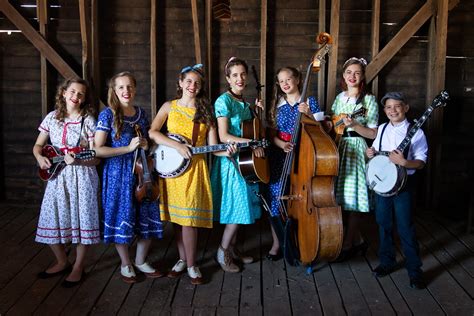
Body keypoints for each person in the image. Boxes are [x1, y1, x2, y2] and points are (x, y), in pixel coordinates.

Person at [149, 64, 234, 284]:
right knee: (177, 219)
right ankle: (182, 259)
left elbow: (214, 148)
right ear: (180, 83)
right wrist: (176, 146)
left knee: (188, 220)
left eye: (196, 83)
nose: (192, 86)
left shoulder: (205, 112)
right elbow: (153, 132)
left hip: (194, 170)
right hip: (170, 170)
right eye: (188, 81)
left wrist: (229, 152)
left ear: (201, 86)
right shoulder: (169, 107)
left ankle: (192, 265)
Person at [94, 71, 163, 283]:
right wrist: (126, 148)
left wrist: (146, 144)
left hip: (143, 174)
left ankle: (141, 260)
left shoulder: (141, 114)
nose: (126, 91)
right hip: (117, 174)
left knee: (148, 216)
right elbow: (97, 149)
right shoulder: (108, 115)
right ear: (114, 90)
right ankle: (126, 264)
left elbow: (149, 144)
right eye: (121, 87)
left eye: (130, 86)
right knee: (120, 216)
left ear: (135, 89)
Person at [33, 78, 100, 287]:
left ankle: (78, 266)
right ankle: (62, 261)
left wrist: (79, 159)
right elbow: (38, 145)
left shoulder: (88, 120)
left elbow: (96, 156)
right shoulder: (52, 118)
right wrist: (39, 157)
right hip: (57, 177)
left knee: (81, 221)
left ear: (84, 98)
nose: (76, 97)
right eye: (72, 92)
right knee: (50, 218)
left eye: (80, 94)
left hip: (82, 176)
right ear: (63, 93)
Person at [366, 92, 427, 289]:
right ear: (384, 110)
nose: (392, 110)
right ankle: (387, 262)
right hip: (383, 185)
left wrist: (404, 162)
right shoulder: (382, 128)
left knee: (405, 227)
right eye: (388, 107)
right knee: (383, 223)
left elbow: (421, 162)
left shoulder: (415, 131)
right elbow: (375, 153)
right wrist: (370, 153)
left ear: (406, 108)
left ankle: (415, 271)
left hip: (404, 186)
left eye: (397, 106)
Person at [211, 57, 264, 272]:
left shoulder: (246, 103)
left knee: (240, 209)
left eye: (243, 74)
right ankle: (222, 252)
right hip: (231, 162)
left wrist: (257, 115)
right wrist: (252, 143)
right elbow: (224, 136)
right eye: (235, 75)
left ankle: (233, 250)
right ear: (228, 78)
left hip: (246, 161)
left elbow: (252, 130)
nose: (240, 78)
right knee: (236, 209)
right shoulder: (223, 101)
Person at [265, 66, 324, 260]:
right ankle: (278, 242)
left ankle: (301, 240)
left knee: (300, 197)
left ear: (298, 79)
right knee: (276, 196)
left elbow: (321, 130)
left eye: (289, 79)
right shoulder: (277, 105)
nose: (285, 84)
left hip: (304, 154)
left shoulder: (309, 102)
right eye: (281, 81)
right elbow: (271, 135)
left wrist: (308, 114)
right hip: (281, 155)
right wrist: (282, 144)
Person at [330, 57, 379, 261]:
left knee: (354, 199)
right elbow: (333, 125)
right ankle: (351, 238)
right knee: (337, 197)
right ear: (343, 75)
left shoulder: (368, 101)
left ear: (362, 77)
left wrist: (355, 126)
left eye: (357, 73)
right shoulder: (339, 99)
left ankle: (349, 243)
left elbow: (374, 134)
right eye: (349, 72)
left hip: (356, 149)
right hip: (338, 148)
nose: (352, 76)